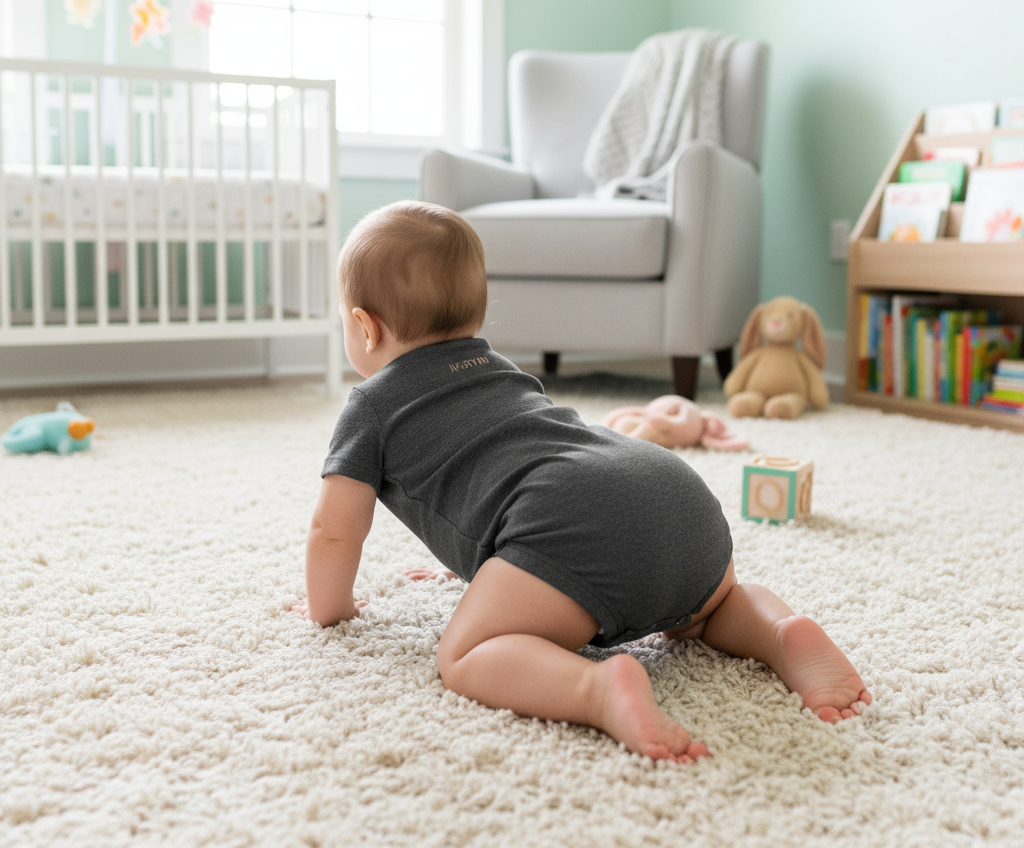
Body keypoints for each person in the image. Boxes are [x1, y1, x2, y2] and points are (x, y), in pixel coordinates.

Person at [292, 201, 870, 763]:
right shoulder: (505, 372)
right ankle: (780, 634)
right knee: (709, 611)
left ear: (365, 328)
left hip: (572, 527)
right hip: (671, 492)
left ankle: (596, 689)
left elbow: (335, 532)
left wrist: (331, 610)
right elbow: (504, 463)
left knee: (465, 653)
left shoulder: (371, 407)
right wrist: (474, 563)